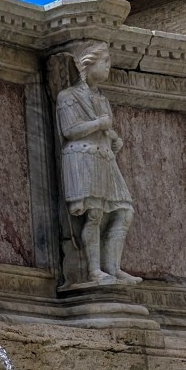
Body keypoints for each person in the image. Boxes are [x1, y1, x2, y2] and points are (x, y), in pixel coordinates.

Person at [56, 41, 138, 286]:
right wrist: (98, 125)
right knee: (94, 215)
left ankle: (113, 267)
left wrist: (112, 139)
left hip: (104, 157)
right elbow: (70, 130)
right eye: (106, 62)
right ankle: (94, 271)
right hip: (82, 157)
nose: (109, 67)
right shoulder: (68, 96)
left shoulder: (101, 98)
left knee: (125, 212)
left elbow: (104, 127)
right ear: (87, 64)